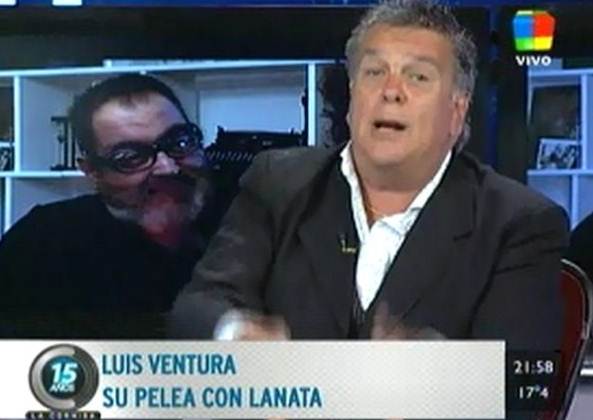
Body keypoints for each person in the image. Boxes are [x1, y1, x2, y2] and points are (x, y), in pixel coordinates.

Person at [170, 0, 568, 352]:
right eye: (374, 72)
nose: (391, 91)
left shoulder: (518, 223)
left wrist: (436, 374)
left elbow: (518, 386)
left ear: (456, 112)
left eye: (418, 77)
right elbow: (196, 307)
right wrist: (235, 333)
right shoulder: (278, 182)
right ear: (351, 99)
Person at [0, 74, 212, 337]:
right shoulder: (43, 243)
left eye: (180, 142)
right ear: (92, 171)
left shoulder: (249, 221)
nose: (167, 168)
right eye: (130, 157)